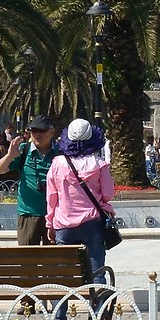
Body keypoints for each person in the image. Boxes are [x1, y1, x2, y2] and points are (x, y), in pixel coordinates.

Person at [47, 119, 116, 285]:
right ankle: (96, 310)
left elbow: (51, 198)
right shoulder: (100, 164)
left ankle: (60, 312)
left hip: (64, 224)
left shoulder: (58, 163)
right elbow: (108, 194)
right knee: (97, 273)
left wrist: (50, 224)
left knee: (63, 276)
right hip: (92, 223)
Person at [0, 115, 59, 244]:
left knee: (53, 260)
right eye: (34, 131)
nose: (37, 135)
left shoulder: (60, 152)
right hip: (28, 214)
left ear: (51, 132)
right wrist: (10, 155)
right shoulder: (24, 150)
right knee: (27, 259)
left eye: (42, 131)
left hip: (54, 215)